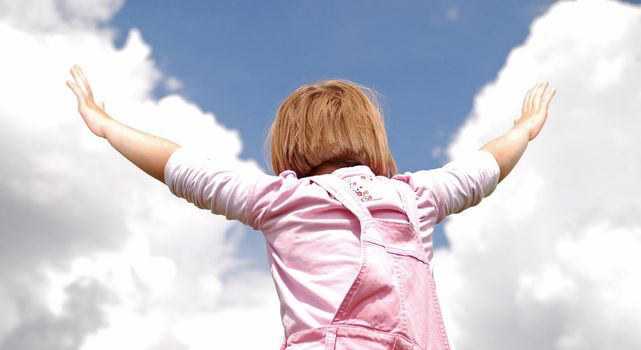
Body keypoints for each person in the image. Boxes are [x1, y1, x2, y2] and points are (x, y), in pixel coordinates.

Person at [66, 65, 555, 349]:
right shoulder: (414, 197)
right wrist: (524, 131)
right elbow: (484, 167)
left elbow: (180, 165)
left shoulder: (280, 200)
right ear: (372, 139)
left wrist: (108, 125)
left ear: (287, 146)